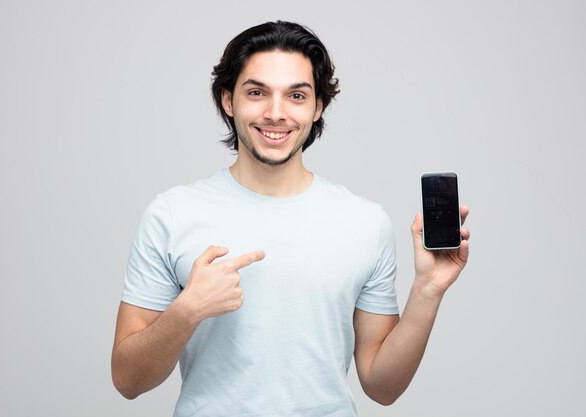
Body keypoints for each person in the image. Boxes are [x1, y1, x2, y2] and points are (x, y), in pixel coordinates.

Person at [111, 20, 470, 416]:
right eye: (257, 93)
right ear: (228, 100)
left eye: (296, 95)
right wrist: (188, 309)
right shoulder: (171, 215)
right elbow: (128, 381)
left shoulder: (365, 223)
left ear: (317, 107)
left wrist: (427, 291)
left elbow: (382, 387)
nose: (276, 113)